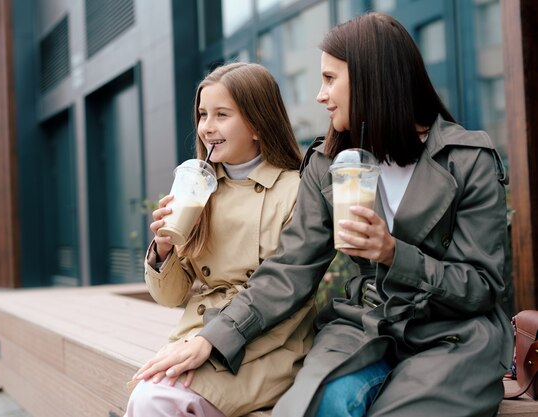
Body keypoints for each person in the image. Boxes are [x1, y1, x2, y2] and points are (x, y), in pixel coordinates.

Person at [132, 12, 514, 417]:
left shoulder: (468, 160)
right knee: (318, 405)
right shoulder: (327, 163)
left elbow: (484, 287)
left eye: (330, 79)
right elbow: (289, 271)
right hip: (366, 326)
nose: (320, 94)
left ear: (372, 78)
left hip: (452, 334)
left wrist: (392, 254)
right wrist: (214, 337)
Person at [126, 62, 316, 417]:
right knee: (149, 396)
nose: (206, 127)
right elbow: (171, 296)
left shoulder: (295, 191)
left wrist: (212, 343)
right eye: (202, 114)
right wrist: (164, 250)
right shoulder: (198, 188)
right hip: (198, 336)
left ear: (258, 124)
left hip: (265, 348)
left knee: (155, 399)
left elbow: (285, 290)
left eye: (221, 115)